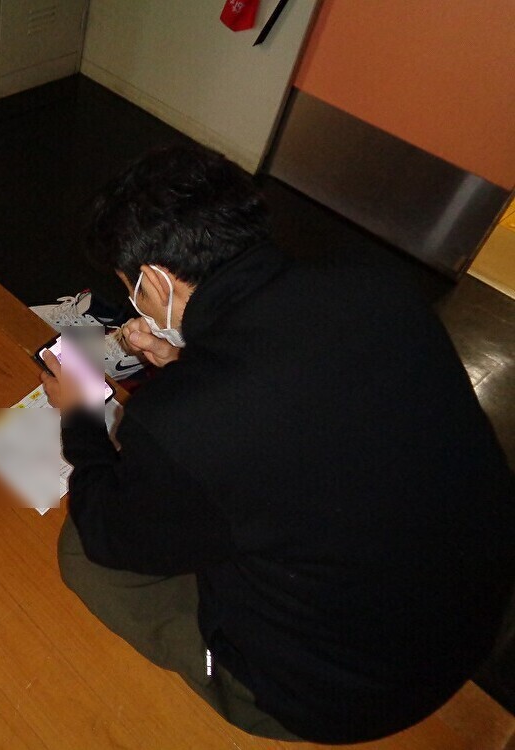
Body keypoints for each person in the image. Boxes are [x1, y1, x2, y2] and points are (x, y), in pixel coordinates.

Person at [40, 143, 515, 743]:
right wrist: (190, 361)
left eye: (130, 286)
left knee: (83, 553)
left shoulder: (182, 422)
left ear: (154, 280)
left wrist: (81, 417)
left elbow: (114, 534)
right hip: (485, 610)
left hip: (350, 695)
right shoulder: (374, 282)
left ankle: (227, 685)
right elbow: (305, 397)